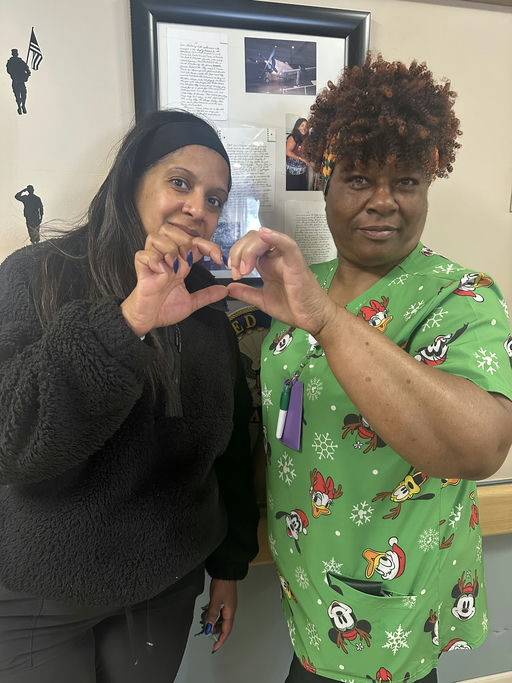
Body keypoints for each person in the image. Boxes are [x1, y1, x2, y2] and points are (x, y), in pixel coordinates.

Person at [227, 55, 512, 683]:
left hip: (391, 613)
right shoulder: (300, 286)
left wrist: (329, 324)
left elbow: (481, 448)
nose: (383, 201)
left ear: (427, 189)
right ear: (326, 187)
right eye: (358, 178)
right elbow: (282, 429)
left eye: (405, 180)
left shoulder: (460, 297)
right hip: (308, 595)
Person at [0, 109, 259, 683]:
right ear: (131, 181)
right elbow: (9, 441)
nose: (198, 207)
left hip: (163, 584)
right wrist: (128, 322)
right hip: (39, 589)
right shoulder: (36, 276)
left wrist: (229, 564)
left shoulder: (205, 306)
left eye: (215, 199)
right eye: (180, 182)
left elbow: (229, 449)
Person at [286, 118, 309, 191]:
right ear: (297, 127)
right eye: (302, 126)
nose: (304, 128)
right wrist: (301, 159)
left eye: (306, 126)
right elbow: (287, 152)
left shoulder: (304, 138)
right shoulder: (292, 137)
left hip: (302, 171)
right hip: (293, 172)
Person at [6, 48, 30, 114]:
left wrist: (27, 73)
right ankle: (19, 107)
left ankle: (23, 105)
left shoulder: (20, 61)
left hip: (21, 80)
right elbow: (9, 70)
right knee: (17, 95)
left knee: (24, 93)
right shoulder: (10, 62)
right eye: (14, 53)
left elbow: (26, 68)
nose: (15, 54)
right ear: (12, 54)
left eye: (16, 53)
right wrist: (14, 74)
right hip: (15, 80)